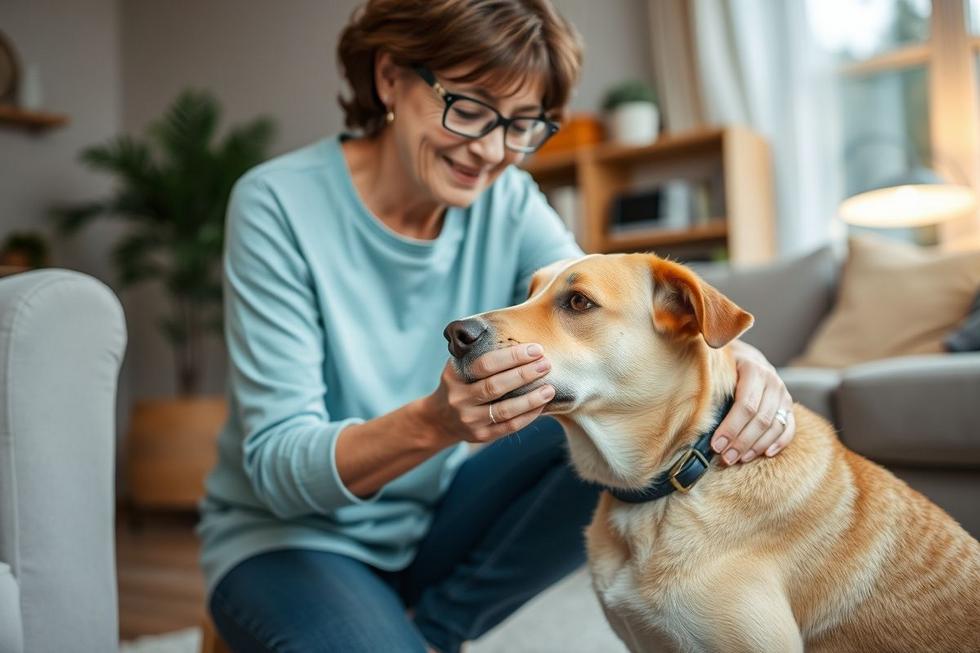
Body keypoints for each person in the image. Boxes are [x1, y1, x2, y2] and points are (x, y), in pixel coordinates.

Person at [197, 1, 798, 651]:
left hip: (433, 519)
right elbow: (279, 470)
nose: (490, 150)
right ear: (390, 76)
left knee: (623, 421)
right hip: (291, 538)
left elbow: (614, 311)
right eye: (470, 108)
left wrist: (736, 359)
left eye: (520, 125)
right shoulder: (277, 203)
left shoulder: (505, 199)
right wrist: (436, 422)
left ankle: (436, 631)